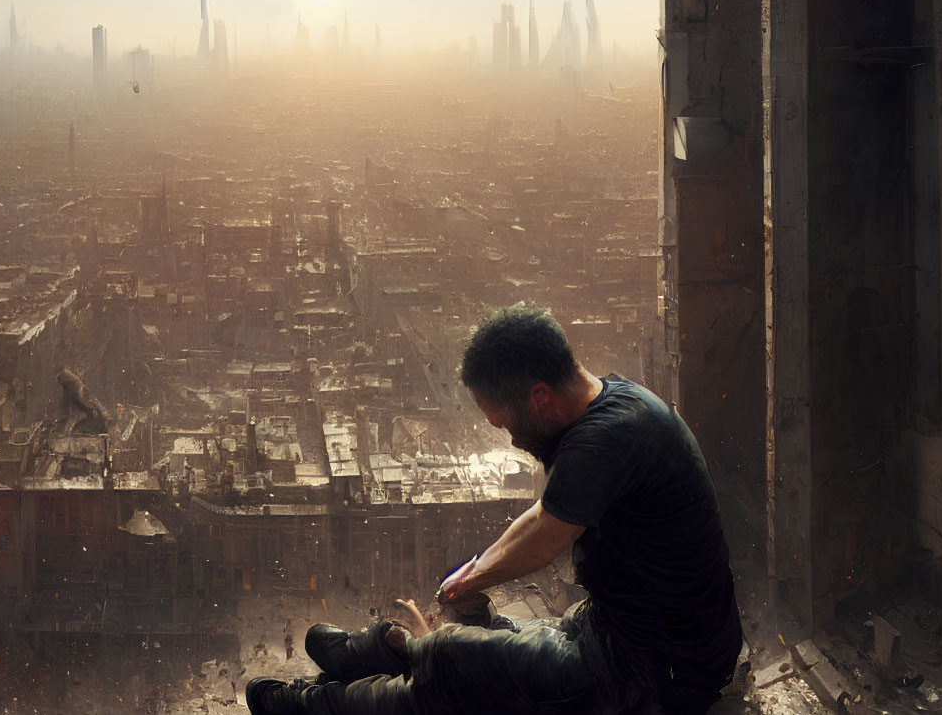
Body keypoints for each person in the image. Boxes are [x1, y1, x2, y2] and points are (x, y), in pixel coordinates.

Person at [247, 305, 742, 714]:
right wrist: (471, 574)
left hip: (653, 671)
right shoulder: (615, 406)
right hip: (628, 633)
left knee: (448, 658)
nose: (514, 440)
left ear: (540, 396)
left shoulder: (603, 442)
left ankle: (316, 704)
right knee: (485, 634)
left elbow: (548, 535)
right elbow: (545, 513)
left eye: (508, 424)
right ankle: (385, 652)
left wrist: (473, 580)